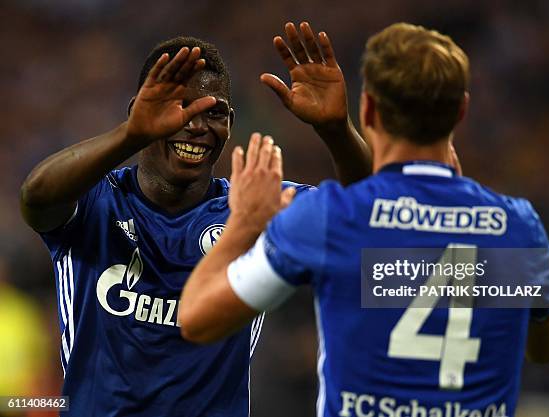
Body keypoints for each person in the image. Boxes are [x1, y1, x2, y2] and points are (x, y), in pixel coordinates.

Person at [179, 23, 549, 417]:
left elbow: (196, 320)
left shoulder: (328, 218)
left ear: (367, 109)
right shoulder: (518, 226)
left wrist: (244, 223)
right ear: (461, 110)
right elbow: (546, 348)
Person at [20, 22, 370, 417]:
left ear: (230, 125)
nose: (198, 125)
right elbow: (36, 197)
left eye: (214, 113)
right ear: (139, 110)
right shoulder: (96, 202)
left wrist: (337, 131)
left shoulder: (253, 207)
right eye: (181, 107)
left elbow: (370, 216)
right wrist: (130, 135)